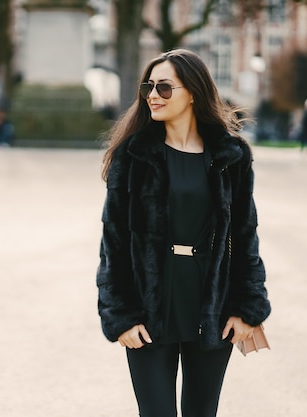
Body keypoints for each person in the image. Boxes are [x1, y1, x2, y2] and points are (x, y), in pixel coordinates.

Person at [96, 49, 271, 417]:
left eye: (164, 87)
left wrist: (247, 307)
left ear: (192, 91)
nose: (152, 95)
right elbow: (113, 242)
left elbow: (245, 237)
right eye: (148, 87)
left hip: (212, 307)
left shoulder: (230, 155)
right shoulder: (134, 155)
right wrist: (121, 315)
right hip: (148, 307)